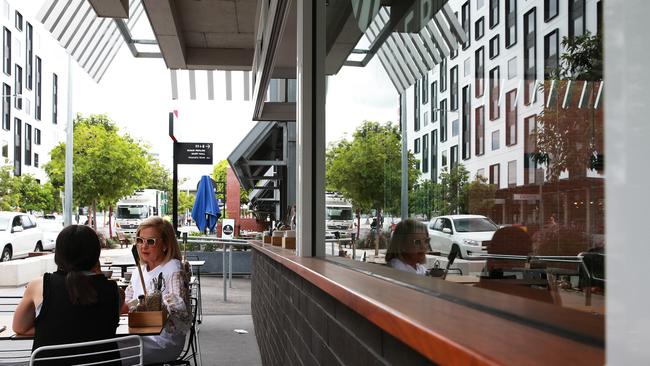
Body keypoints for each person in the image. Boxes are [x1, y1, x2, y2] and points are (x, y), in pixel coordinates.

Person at [12, 225, 121, 364]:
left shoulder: (39, 286)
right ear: (96, 254)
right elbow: (101, 326)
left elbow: (19, 328)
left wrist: (52, 331)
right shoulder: (114, 290)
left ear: (58, 253)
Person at [125, 216, 191, 364]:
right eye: (140, 240)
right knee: (105, 347)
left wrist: (155, 305)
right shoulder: (139, 270)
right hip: (138, 333)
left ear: (165, 245)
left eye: (150, 241)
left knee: (108, 352)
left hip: (163, 341)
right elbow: (126, 303)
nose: (143, 246)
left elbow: (180, 308)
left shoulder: (172, 268)